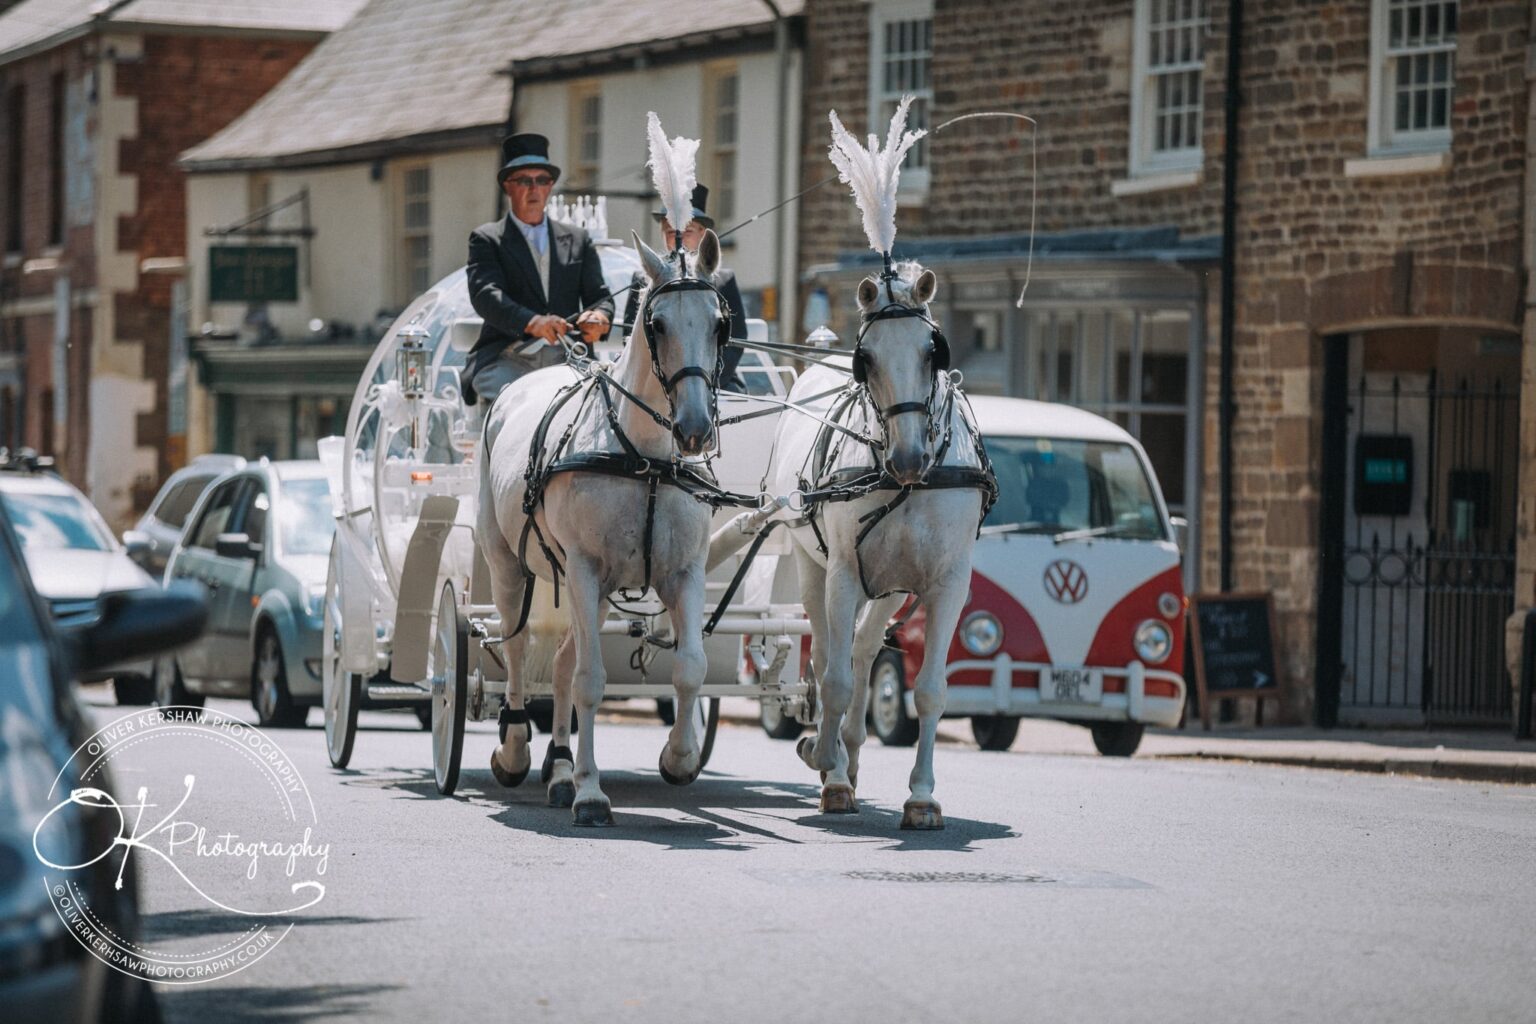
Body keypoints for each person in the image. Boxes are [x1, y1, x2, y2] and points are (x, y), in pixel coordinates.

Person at [463, 132, 614, 407]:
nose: (534, 189)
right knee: (526, 404)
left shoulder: (578, 239)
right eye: (524, 181)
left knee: (599, 404)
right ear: (507, 186)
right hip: (507, 359)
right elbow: (486, 295)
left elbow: (600, 295)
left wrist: (599, 317)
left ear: (550, 186)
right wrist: (533, 322)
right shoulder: (487, 239)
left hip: (569, 357)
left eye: (542, 180)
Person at [622, 184, 749, 393]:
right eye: (671, 231)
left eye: (687, 232)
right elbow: (632, 335)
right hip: (657, 383)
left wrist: (709, 380)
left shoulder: (724, 280)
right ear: (662, 232)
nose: (677, 238)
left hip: (713, 379)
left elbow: (736, 339)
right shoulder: (642, 278)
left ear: (702, 234)